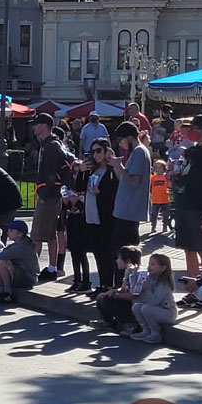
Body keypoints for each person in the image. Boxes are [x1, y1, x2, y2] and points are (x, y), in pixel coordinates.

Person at [29, 113, 70, 282]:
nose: (34, 127)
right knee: (50, 232)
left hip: (49, 195)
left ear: (44, 126)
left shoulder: (51, 146)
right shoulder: (50, 144)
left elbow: (53, 173)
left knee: (37, 234)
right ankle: (52, 266)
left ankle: (32, 268)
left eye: (36, 124)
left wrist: (45, 194)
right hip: (51, 194)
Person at [79, 138, 120, 296]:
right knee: (97, 251)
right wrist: (82, 172)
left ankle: (109, 285)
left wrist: (100, 193)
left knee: (106, 252)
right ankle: (102, 284)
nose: (95, 155)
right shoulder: (92, 170)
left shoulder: (111, 172)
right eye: (93, 151)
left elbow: (115, 193)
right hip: (91, 215)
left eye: (99, 151)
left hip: (105, 217)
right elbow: (79, 187)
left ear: (106, 152)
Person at [172, 115, 202, 284]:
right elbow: (184, 176)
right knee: (188, 247)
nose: (189, 131)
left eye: (193, 128)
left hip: (200, 207)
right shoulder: (190, 152)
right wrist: (176, 175)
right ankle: (192, 287)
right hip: (185, 204)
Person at [108, 121, 151, 257]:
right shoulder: (137, 152)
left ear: (130, 137)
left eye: (121, 140)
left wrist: (120, 166)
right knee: (123, 251)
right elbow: (124, 179)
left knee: (125, 253)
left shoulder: (139, 152)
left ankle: (125, 278)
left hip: (129, 211)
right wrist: (116, 165)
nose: (120, 144)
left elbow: (134, 181)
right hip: (126, 210)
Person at [93, 245, 144, 334]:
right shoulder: (128, 271)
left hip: (137, 304)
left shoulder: (139, 274)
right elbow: (123, 289)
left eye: (119, 258)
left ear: (127, 260)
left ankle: (129, 323)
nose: (117, 261)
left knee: (108, 299)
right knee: (102, 296)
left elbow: (134, 295)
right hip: (129, 300)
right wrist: (113, 291)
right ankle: (109, 322)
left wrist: (117, 295)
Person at [0, 220, 40, 303]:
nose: (8, 232)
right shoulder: (17, 244)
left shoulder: (23, 246)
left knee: (1, 262)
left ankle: (8, 292)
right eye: (8, 230)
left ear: (20, 234)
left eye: (11, 230)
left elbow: (2, 255)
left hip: (28, 278)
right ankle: (0, 288)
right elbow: (1, 252)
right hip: (19, 274)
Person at [130, 254, 178, 344]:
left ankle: (156, 334)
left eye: (153, 264)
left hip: (168, 313)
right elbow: (134, 293)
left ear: (163, 268)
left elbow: (154, 302)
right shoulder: (148, 278)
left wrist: (145, 289)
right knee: (136, 306)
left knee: (146, 308)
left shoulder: (164, 284)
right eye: (149, 264)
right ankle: (146, 330)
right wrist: (133, 276)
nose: (149, 267)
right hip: (155, 309)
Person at [150, 160, 171, 232]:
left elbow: (170, 186)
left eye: (159, 168)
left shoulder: (166, 178)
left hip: (165, 199)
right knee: (154, 215)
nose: (157, 169)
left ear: (164, 169)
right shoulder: (152, 178)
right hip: (155, 200)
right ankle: (153, 227)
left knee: (165, 215)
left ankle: (164, 227)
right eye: (156, 168)